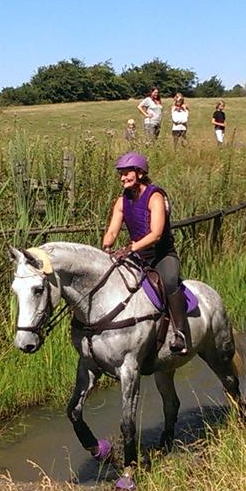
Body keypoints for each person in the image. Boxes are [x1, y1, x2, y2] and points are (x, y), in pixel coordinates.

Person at [102, 151, 189, 354]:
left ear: (140, 173)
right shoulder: (122, 201)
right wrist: (106, 247)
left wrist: (131, 248)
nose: (123, 178)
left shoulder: (155, 196)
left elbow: (156, 234)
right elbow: (113, 230)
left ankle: (181, 333)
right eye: (121, 174)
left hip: (161, 255)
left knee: (168, 282)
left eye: (127, 174)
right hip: (137, 256)